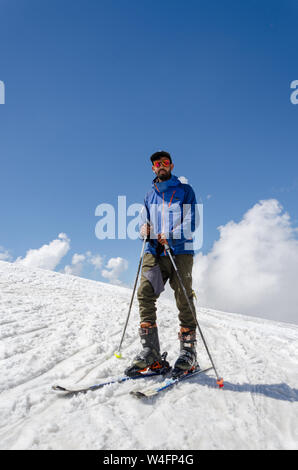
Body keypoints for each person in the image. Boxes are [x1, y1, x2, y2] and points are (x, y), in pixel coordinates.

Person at [125, 151, 200, 376]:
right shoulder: (149, 196)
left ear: (171, 165)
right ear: (153, 168)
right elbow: (142, 224)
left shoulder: (185, 191)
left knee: (183, 295)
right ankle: (151, 352)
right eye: (157, 164)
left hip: (179, 252)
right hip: (154, 252)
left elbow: (192, 220)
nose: (161, 166)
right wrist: (143, 231)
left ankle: (188, 352)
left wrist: (172, 235)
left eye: (165, 163)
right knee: (145, 292)